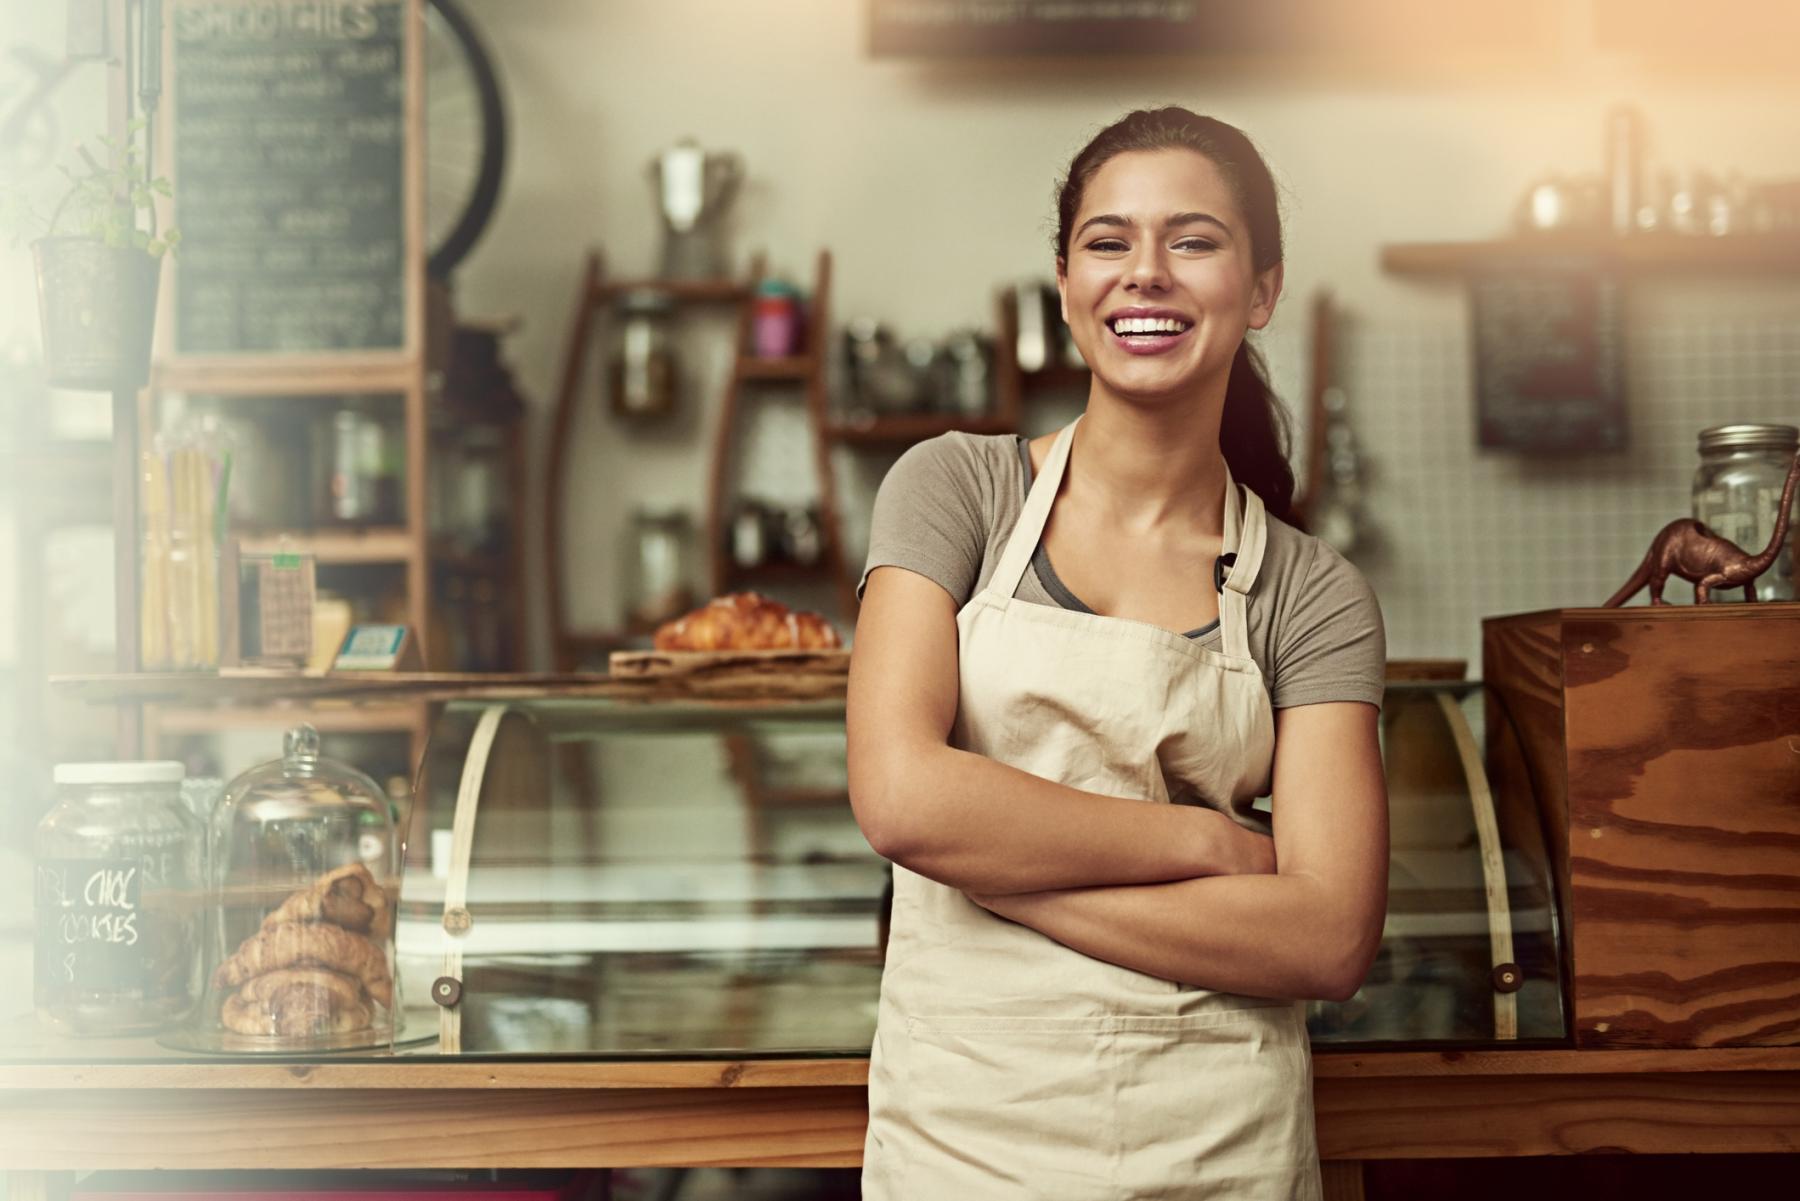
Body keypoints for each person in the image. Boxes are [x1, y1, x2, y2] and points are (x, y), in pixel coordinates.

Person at [846, 107, 1390, 1199]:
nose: (1146, 274)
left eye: (1193, 241)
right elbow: (902, 798)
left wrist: (984, 877)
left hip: (1221, 1151)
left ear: (1263, 289)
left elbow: (1328, 936)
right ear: (1065, 283)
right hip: (962, 1145)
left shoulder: (1313, 593)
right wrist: (1208, 844)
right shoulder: (955, 490)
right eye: (1109, 242)